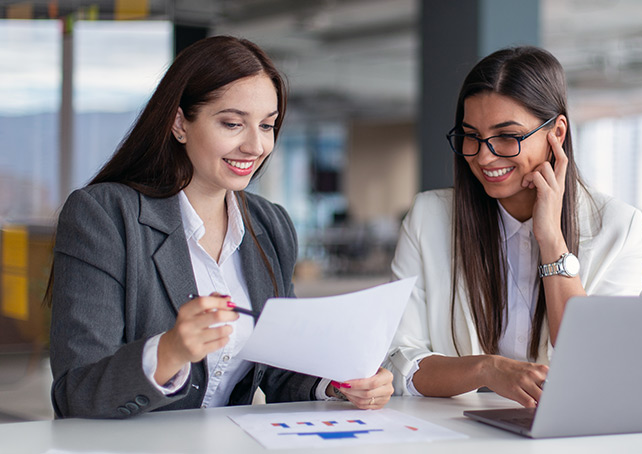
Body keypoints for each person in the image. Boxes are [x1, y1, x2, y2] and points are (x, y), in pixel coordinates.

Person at [47, 36, 392, 419]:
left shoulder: (269, 224)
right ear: (179, 123)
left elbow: (277, 370)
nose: (255, 146)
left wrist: (337, 383)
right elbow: (75, 391)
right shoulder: (105, 215)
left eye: (267, 125)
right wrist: (169, 352)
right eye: (232, 123)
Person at [384, 46, 642, 407]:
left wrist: (551, 239)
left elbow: (595, 362)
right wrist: (486, 369)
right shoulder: (428, 217)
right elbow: (400, 361)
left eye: (507, 136)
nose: (484, 156)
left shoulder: (619, 229)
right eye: (471, 136)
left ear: (556, 132)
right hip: (453, 433)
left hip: (568, 431)